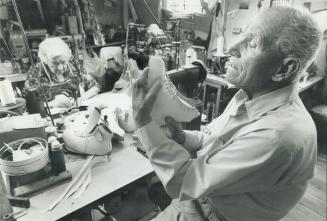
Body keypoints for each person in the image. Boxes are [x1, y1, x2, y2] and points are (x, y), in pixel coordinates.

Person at [132, 6, 321, 221]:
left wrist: (143, 121)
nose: (231, 48)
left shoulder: (278, 135)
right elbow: (215, 141)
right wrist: (184, 138)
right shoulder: (250, 96)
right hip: (200, 200)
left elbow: (184, 182)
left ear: (283, 70)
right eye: (241, 35)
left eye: (252, 43)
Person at [24, 37, 100, 113]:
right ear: (45, 61)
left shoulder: (74, 65)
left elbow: (95, 86)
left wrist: (83, 97)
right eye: (55, 63)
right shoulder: (36, 71)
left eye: (63, 62)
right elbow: (30, 105)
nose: (60, 68)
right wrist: (52, 103)